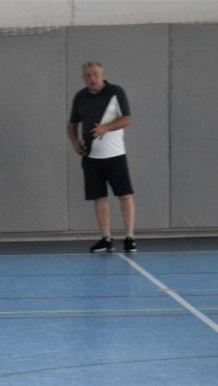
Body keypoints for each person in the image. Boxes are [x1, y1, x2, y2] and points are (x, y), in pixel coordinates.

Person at [67, 61, 137, 253]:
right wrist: (75, 143)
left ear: (103, 75)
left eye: (96, 74)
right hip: (91, 156)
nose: (92, 78)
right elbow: (72, 124)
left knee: (124, 195)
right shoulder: (80, 97)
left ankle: (130, 237)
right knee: (99, 197)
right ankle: (106, 238)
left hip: (115, 154)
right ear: (83, 78)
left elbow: (127, 118)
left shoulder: (115, 92)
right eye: (88, 75)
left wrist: (106, 127)